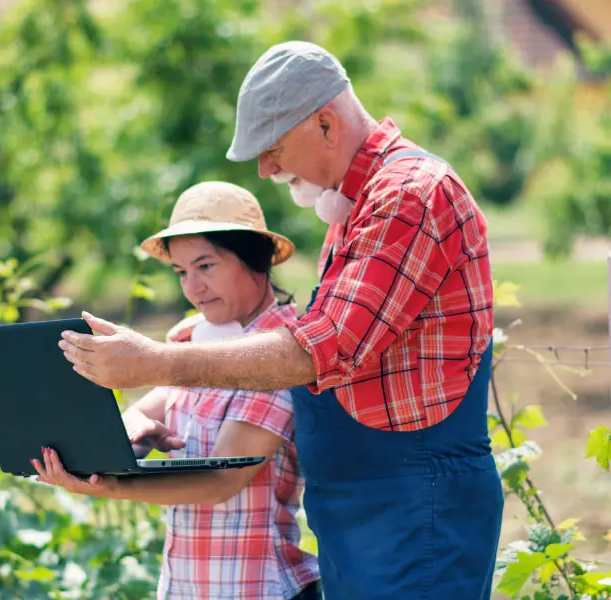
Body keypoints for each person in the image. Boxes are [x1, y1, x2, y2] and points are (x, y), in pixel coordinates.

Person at [57, 41, 504, 599]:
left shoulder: (408, 196)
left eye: (273, 149)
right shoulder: (361, 206)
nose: (267, 169)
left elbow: (323, 346)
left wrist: (157, 361)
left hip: (416, 505)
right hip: (369, 513)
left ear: (324, 122)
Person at [33, 181, 321, 600]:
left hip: (259, 588)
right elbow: (144, 412)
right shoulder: (188, 339)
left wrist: (114, 486)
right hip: (188, 586)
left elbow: (221, 480)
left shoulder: (280, 352)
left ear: (256, 260)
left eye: (206, 266)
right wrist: (125, 437)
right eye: (182, 272)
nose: (193, 287)